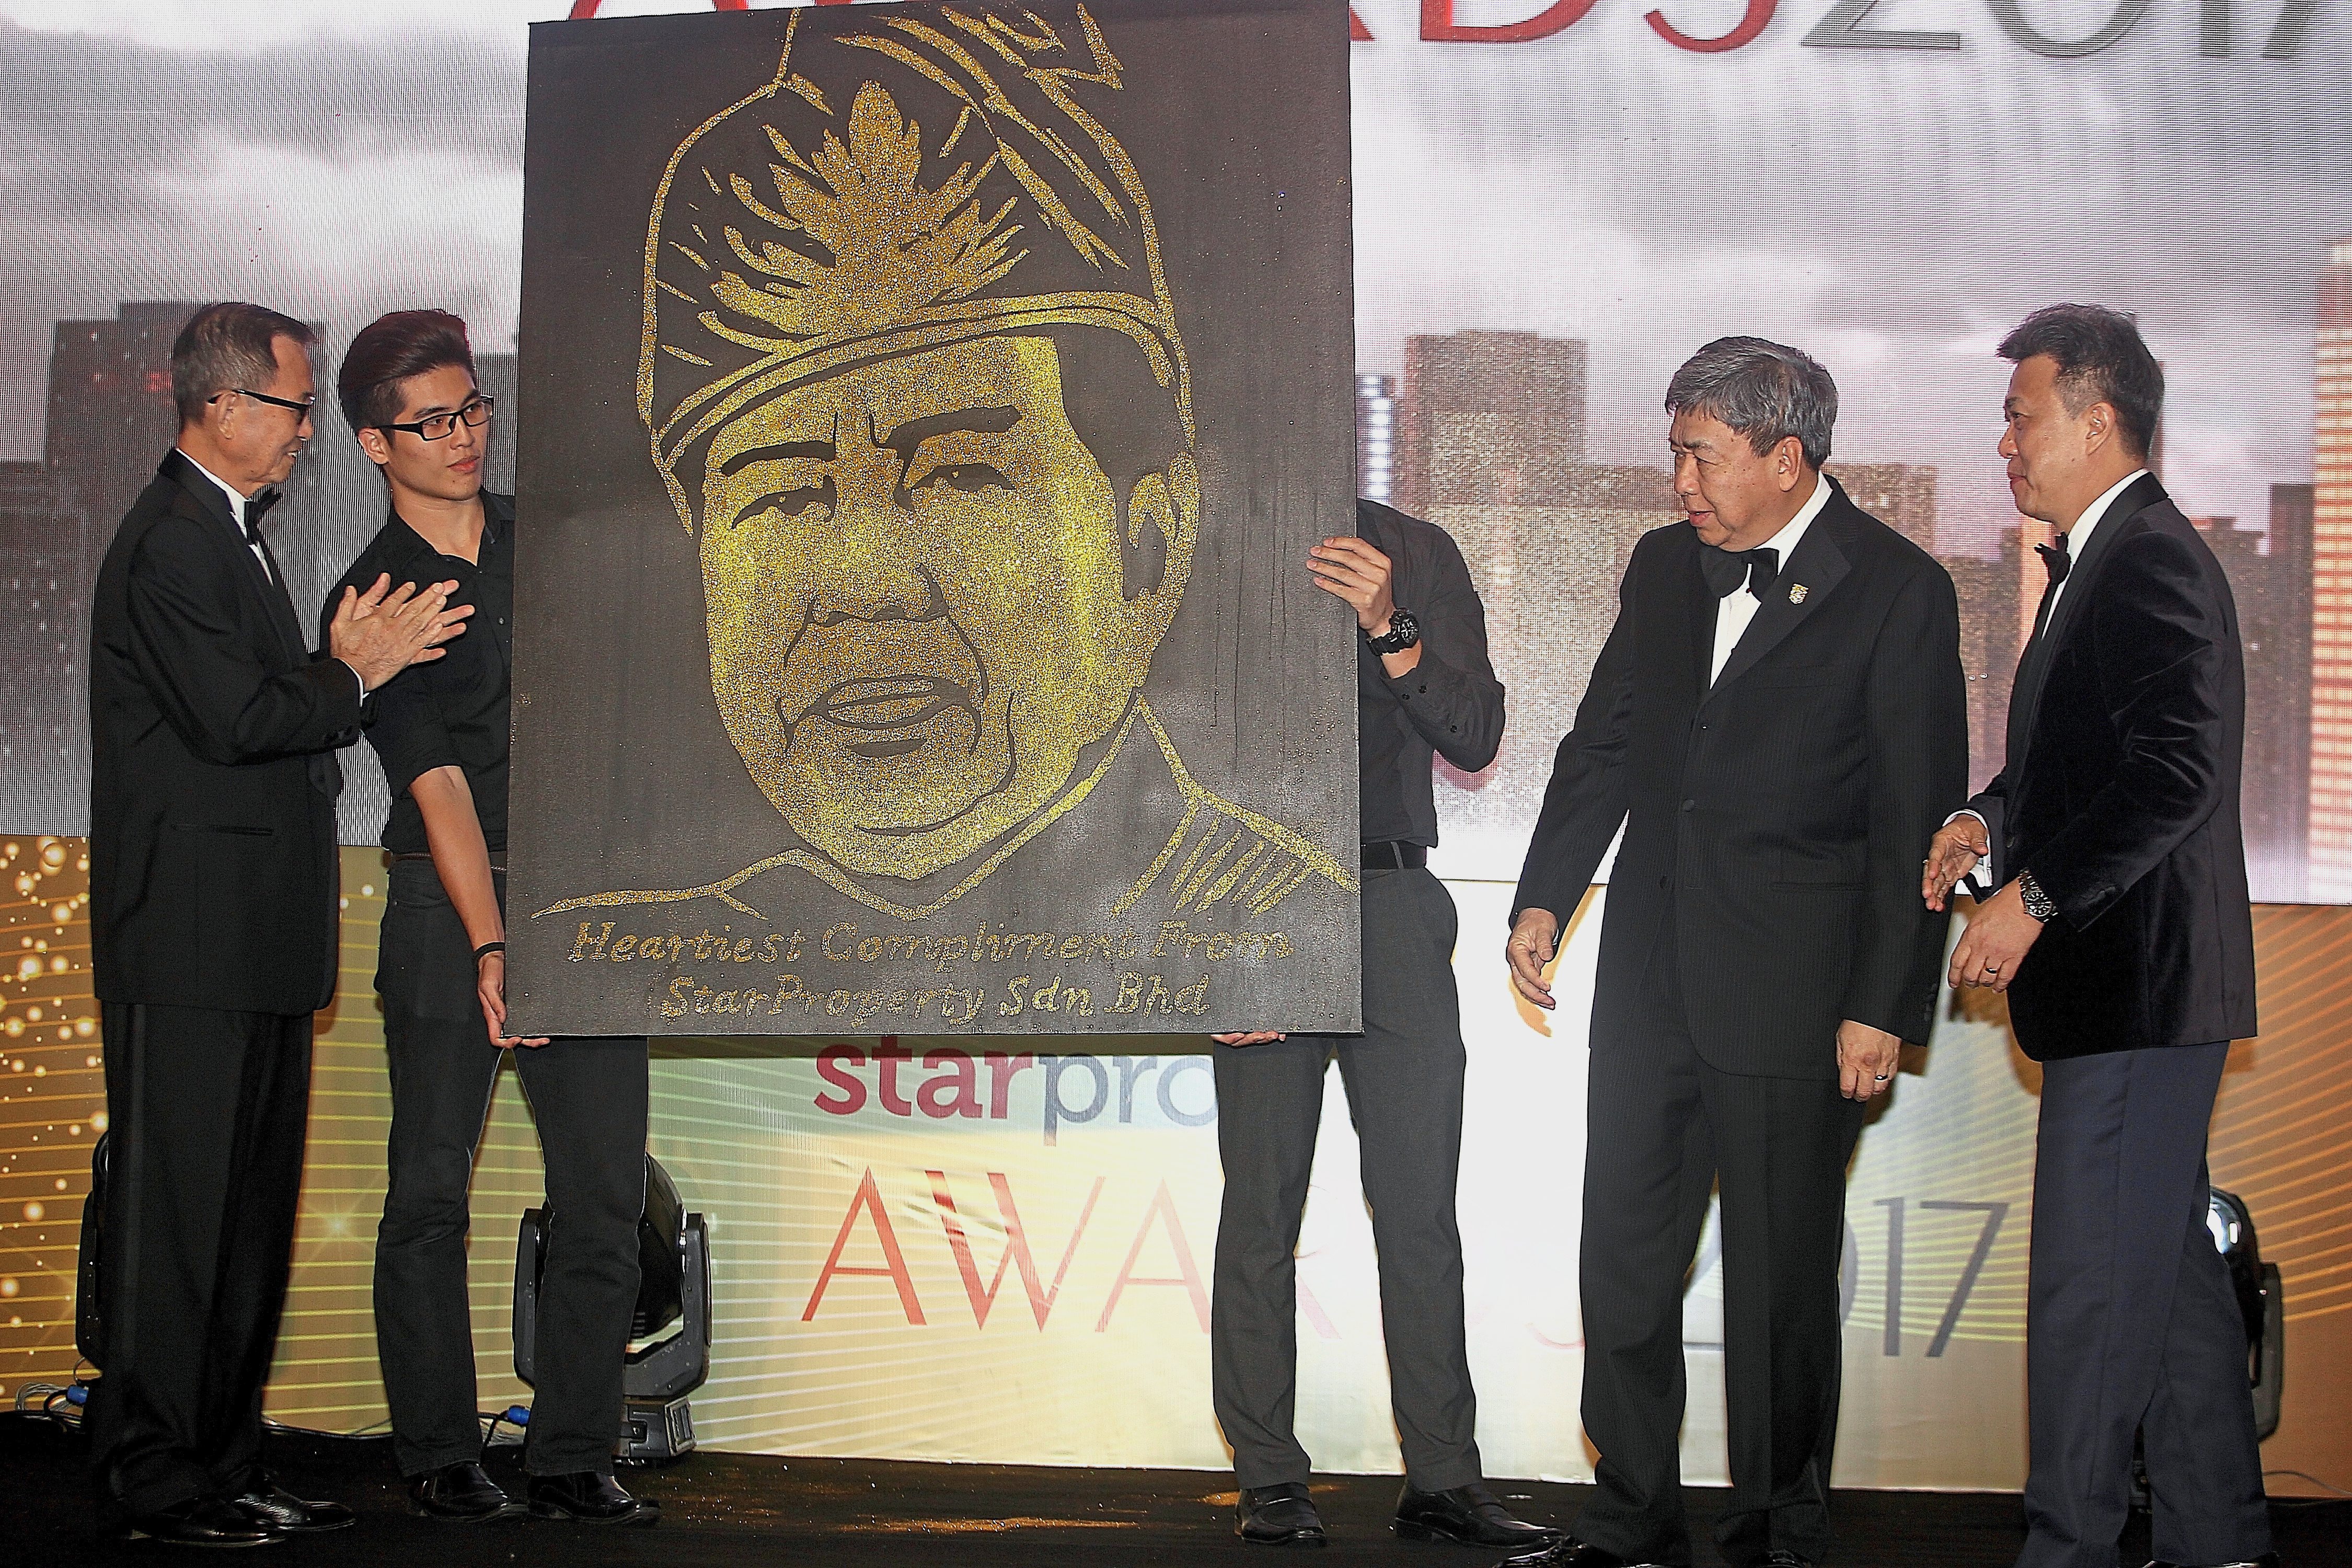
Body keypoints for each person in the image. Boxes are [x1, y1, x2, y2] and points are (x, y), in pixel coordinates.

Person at [529, 7, 1353, 942]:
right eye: (786, 495)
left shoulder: (1284, 932)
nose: (865, 584)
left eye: (960, 478)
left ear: (1148, 547)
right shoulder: (632, 954)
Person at [1504, 339, 1966, 1568]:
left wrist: (1884, 1004)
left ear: (1785, 454)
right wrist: (1547, 895)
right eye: (1675, 456)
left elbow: (1913, 820)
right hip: (1651, 979)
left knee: (1778, 1289)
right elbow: (1605, 741)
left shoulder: (1899, 588)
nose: (1682, 485)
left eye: (1701, 457)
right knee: (1625, 1262)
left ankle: (1777, 1523)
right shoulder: (1663, 568)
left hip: (1797, 997)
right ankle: (1631, 1510)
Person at [87, 301, 467, 1547]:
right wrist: (351, 670)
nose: (307, 434)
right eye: (299, 408)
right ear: (224, 406)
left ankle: (227, 1461)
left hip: (252, 938)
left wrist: (343, 674)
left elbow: (273, 715)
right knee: (180, 1227)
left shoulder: (234, 536)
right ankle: (158, 1480)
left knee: (245, 1223)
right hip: (188, 941)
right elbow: (238, 722)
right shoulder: (170, 545)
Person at [1923, 305, 2276, 1568]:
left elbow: (2179, 772)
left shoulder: (2155, 559)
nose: (2004, 444)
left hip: (2135, 988)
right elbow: (2076, 769)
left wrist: (2037, 897)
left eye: (2021, 418)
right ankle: (2220, 1540)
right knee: (2166, 1294)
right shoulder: (2106, 558)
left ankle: (2064, 1551)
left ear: (2097, 417)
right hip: (2130, 997)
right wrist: (1984, 819)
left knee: (2087, 1307)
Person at [323, 310, 658, 1527]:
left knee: (603, 1192)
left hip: (587, 894)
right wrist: (489, 942)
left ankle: (574, 1451)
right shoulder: (370, 598)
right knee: (427, 1188)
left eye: (474, 411)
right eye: (431, 422)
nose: (463, 438)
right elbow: (436, 782)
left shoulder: (555, 539)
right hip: (443, 900)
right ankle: (435, 1450)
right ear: (371, 443)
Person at [1207, 498, 1554, 1552]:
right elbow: (1156, 739)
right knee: (1261, 1208)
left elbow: (1478, 731)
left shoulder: (1416, 551)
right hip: (1253, 906)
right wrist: (1205, 942)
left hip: (1394, 903)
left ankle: (1443, 1477)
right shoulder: (1215, 528)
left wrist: (1391, 627)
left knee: (1419, 1211)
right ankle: (1268, 1476)